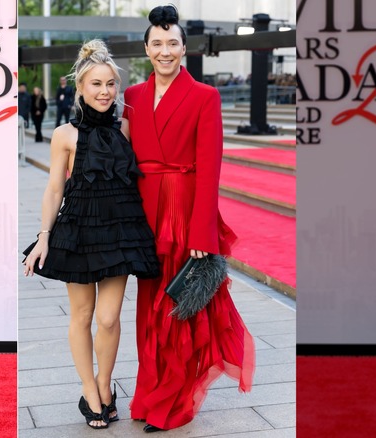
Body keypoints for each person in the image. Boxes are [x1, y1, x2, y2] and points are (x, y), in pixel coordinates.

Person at [122, 5, 255, 433]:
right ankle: (147, 396)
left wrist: (202, 232)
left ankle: (173, 404)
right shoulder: (133, 98)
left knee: (176, 311)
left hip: (183, 215)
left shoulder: (205, 96)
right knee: (147, 309)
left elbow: (210, 166)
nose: (165, 51)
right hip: (144, 215)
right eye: (157, 44)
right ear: (146, 49)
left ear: (184, 48)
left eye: (172, 44)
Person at [23, 39, 160, 430]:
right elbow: (53, 189)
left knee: (110, 317)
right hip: (79, 228)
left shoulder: (126, 127)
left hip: (119, 229)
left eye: (110, 85)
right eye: (96, 84)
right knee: (82, 315)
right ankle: (89, 390)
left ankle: (104, 383)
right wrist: (44, 236)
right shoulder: (64, 134)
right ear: (80, 87)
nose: (104, 92)